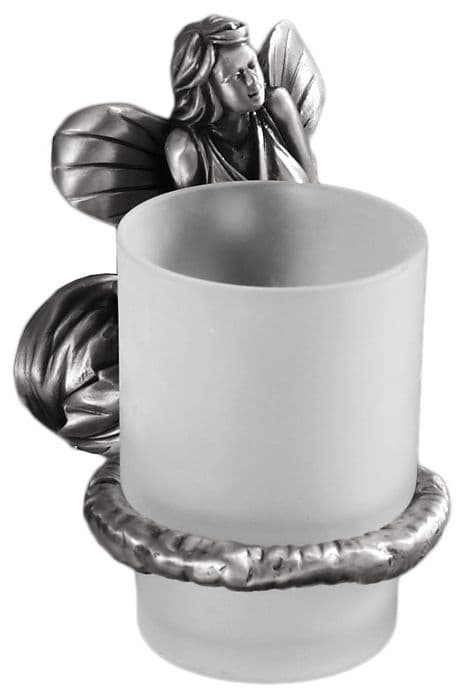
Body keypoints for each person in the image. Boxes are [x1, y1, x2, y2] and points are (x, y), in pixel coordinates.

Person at [165, 15, 318, 188]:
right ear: (208, 88)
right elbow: (186, 206)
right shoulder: (187, 148)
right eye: (237, 76)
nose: (253, 81)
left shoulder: (277, 106)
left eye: (252, 65)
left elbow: (315, 189)